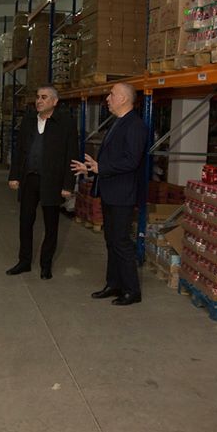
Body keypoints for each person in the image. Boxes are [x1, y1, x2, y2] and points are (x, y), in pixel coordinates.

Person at [71, 82, 148, 305]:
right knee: (111, 240)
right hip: (111, 191)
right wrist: (91, 169)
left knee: (121, 241)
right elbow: (114, 159)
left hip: (122, 194)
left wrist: (101, 167)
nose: (108, 98)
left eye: (112, 94)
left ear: (123, 98)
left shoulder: (135, 125)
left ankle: (132, 291)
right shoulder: (119, 122)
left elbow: (131, 161)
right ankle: (114, 283)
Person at [7, 85, 78, 280]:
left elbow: (71, 155)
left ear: (55, 101)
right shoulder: (29, 120)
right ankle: (24, 261)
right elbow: (19, 150)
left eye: (44, 97)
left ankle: (46, 265)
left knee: (51, 225)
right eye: (38, 97)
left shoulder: (66, 123)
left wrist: (68, 185)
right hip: (29, 179)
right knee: (25, 222)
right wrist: (14, 175)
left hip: (52, 181)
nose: (39, 100)